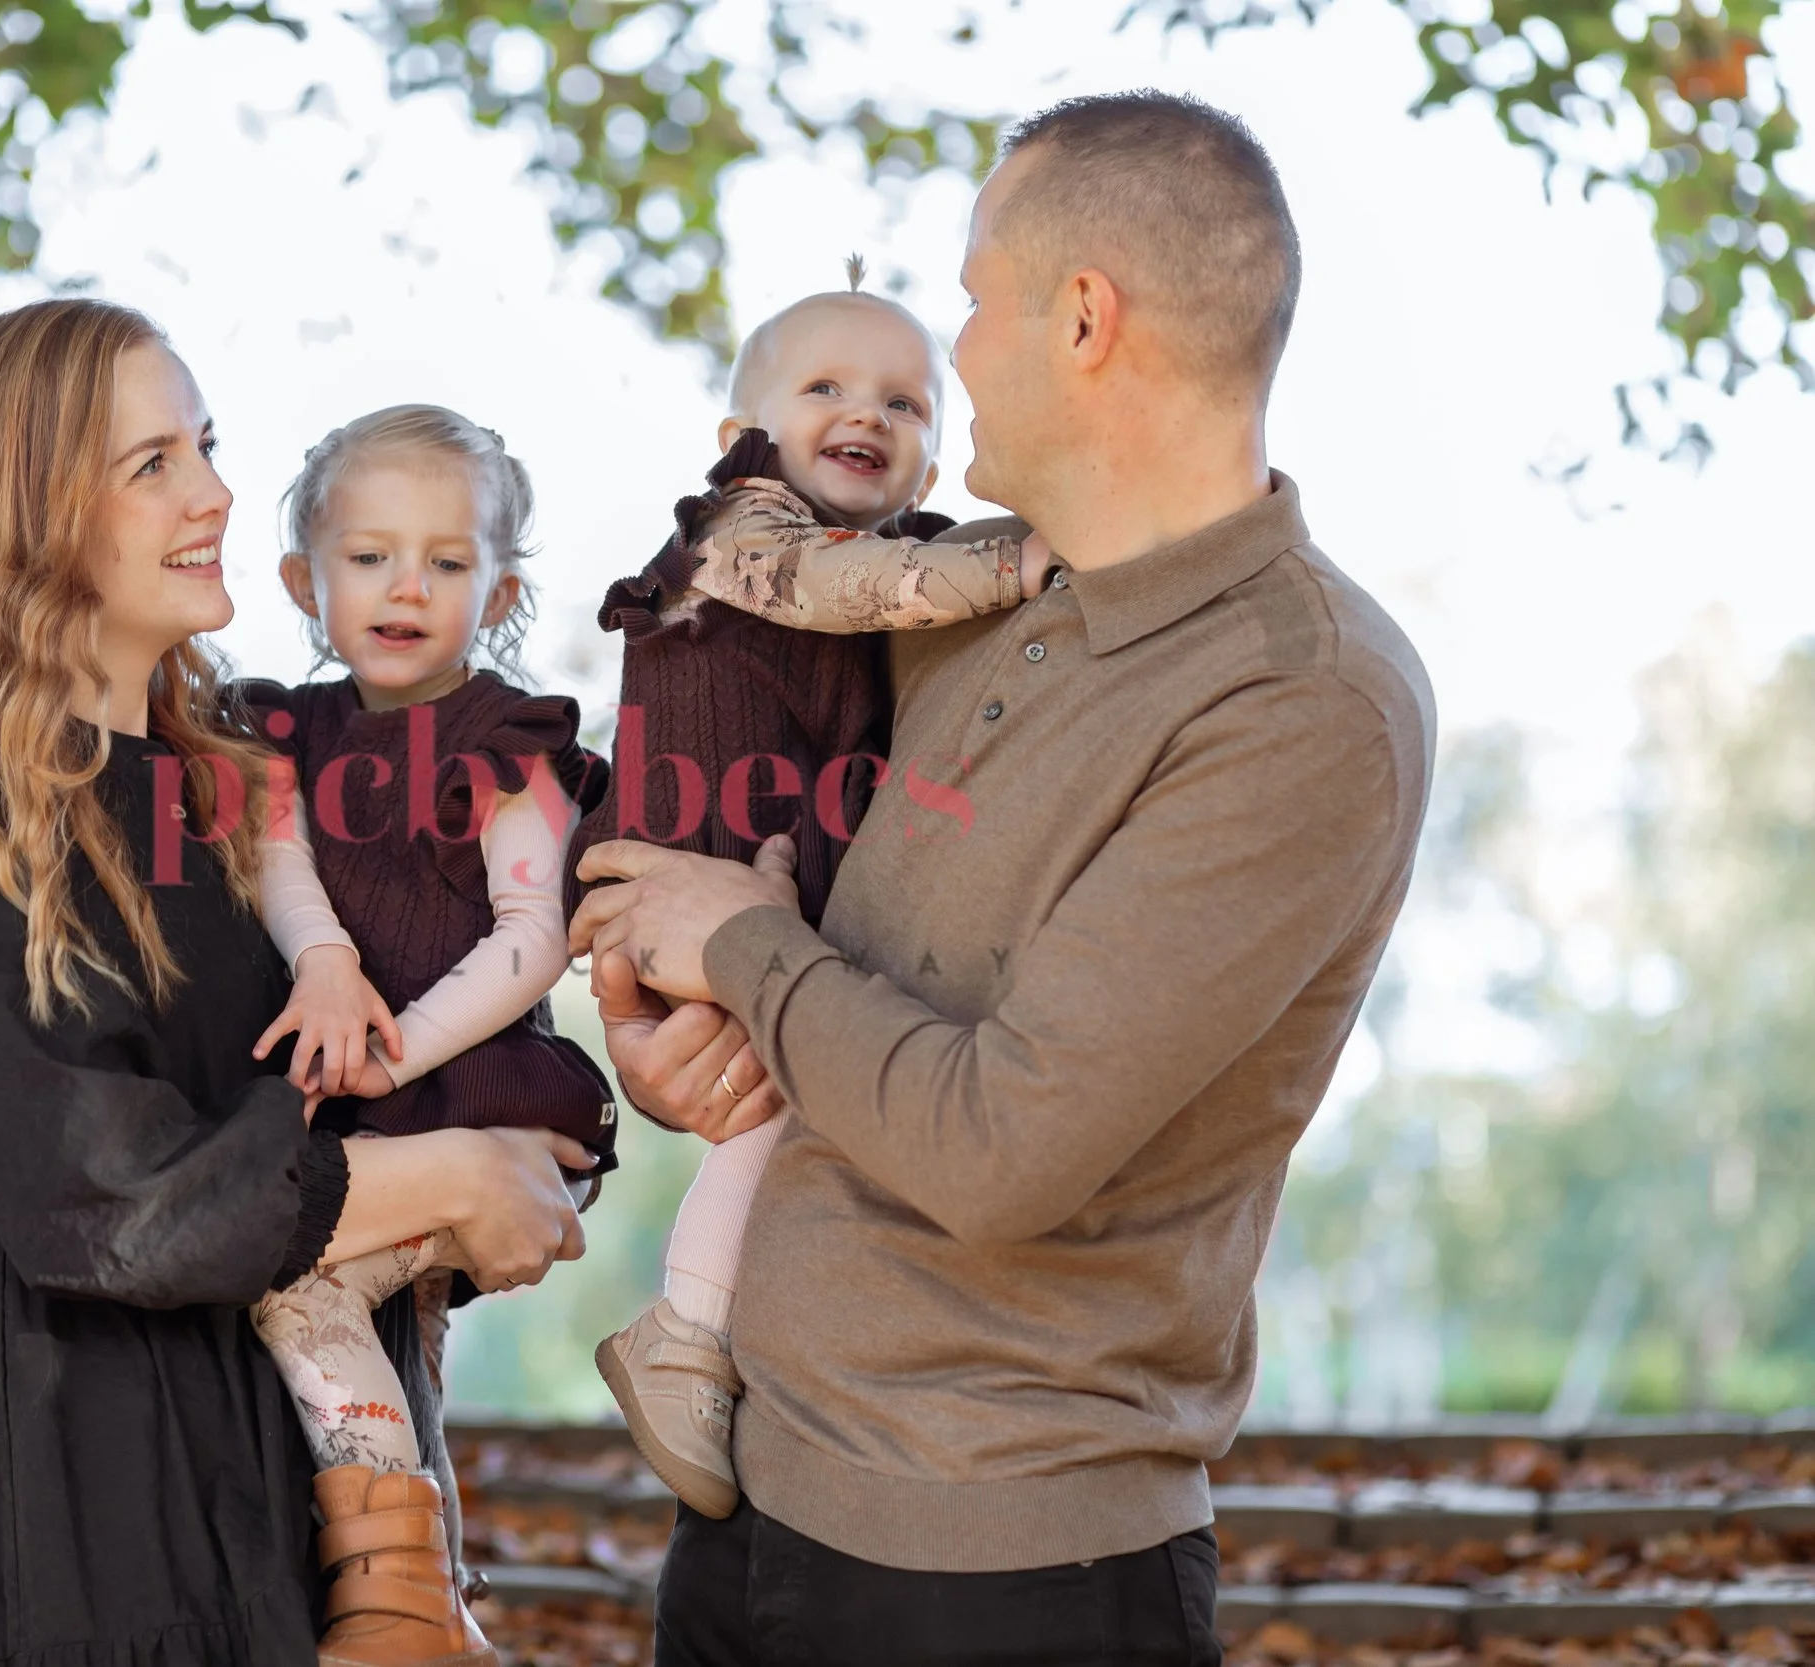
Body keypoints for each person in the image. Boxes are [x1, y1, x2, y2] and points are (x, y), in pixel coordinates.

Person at [573, 91, 1437, 1665]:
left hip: (1000, 1570)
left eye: (974, 302)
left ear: (1084, 317)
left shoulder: (1302, 698)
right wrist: (670, 1022)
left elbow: (996, 1146)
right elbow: (792, 955)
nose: (956, 353)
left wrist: (743, 947)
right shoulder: (946, 598)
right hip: (752, 1497)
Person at [0, 299, 589, 1667]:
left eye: (205, 446)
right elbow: (110, 1195)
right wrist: (457, 1172)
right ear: (30, 512)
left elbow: (378, 1085)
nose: (214, 492)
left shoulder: (239, 797)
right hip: (116, 1539)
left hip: (321, 1521)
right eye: (152, 462)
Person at [561, 268, 1046, 1517]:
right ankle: (686, 1326)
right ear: (744, 435)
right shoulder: (741, 528)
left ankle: (716, 1326)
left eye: (906, 402)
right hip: (677, 863)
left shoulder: (905, 556)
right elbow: (844, 584)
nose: (866, 412)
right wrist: (1028, 558)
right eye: (824, 386)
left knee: (799, 1095)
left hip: (765, 887)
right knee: (785, 1095)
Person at [235, 403, 615, 1667]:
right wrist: (326, 961)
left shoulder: (505, 743)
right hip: (368, 1101)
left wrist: (392, 1046)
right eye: (369, 557)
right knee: (401, 1353)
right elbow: (279, 863)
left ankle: (402, 1604)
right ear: (305, 581)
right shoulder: (281, 733)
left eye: (447, 562)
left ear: (495, 592)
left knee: (302, 1287)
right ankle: (433, 1607)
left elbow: (533, 936)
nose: (407, 586)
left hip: (483, 1095)